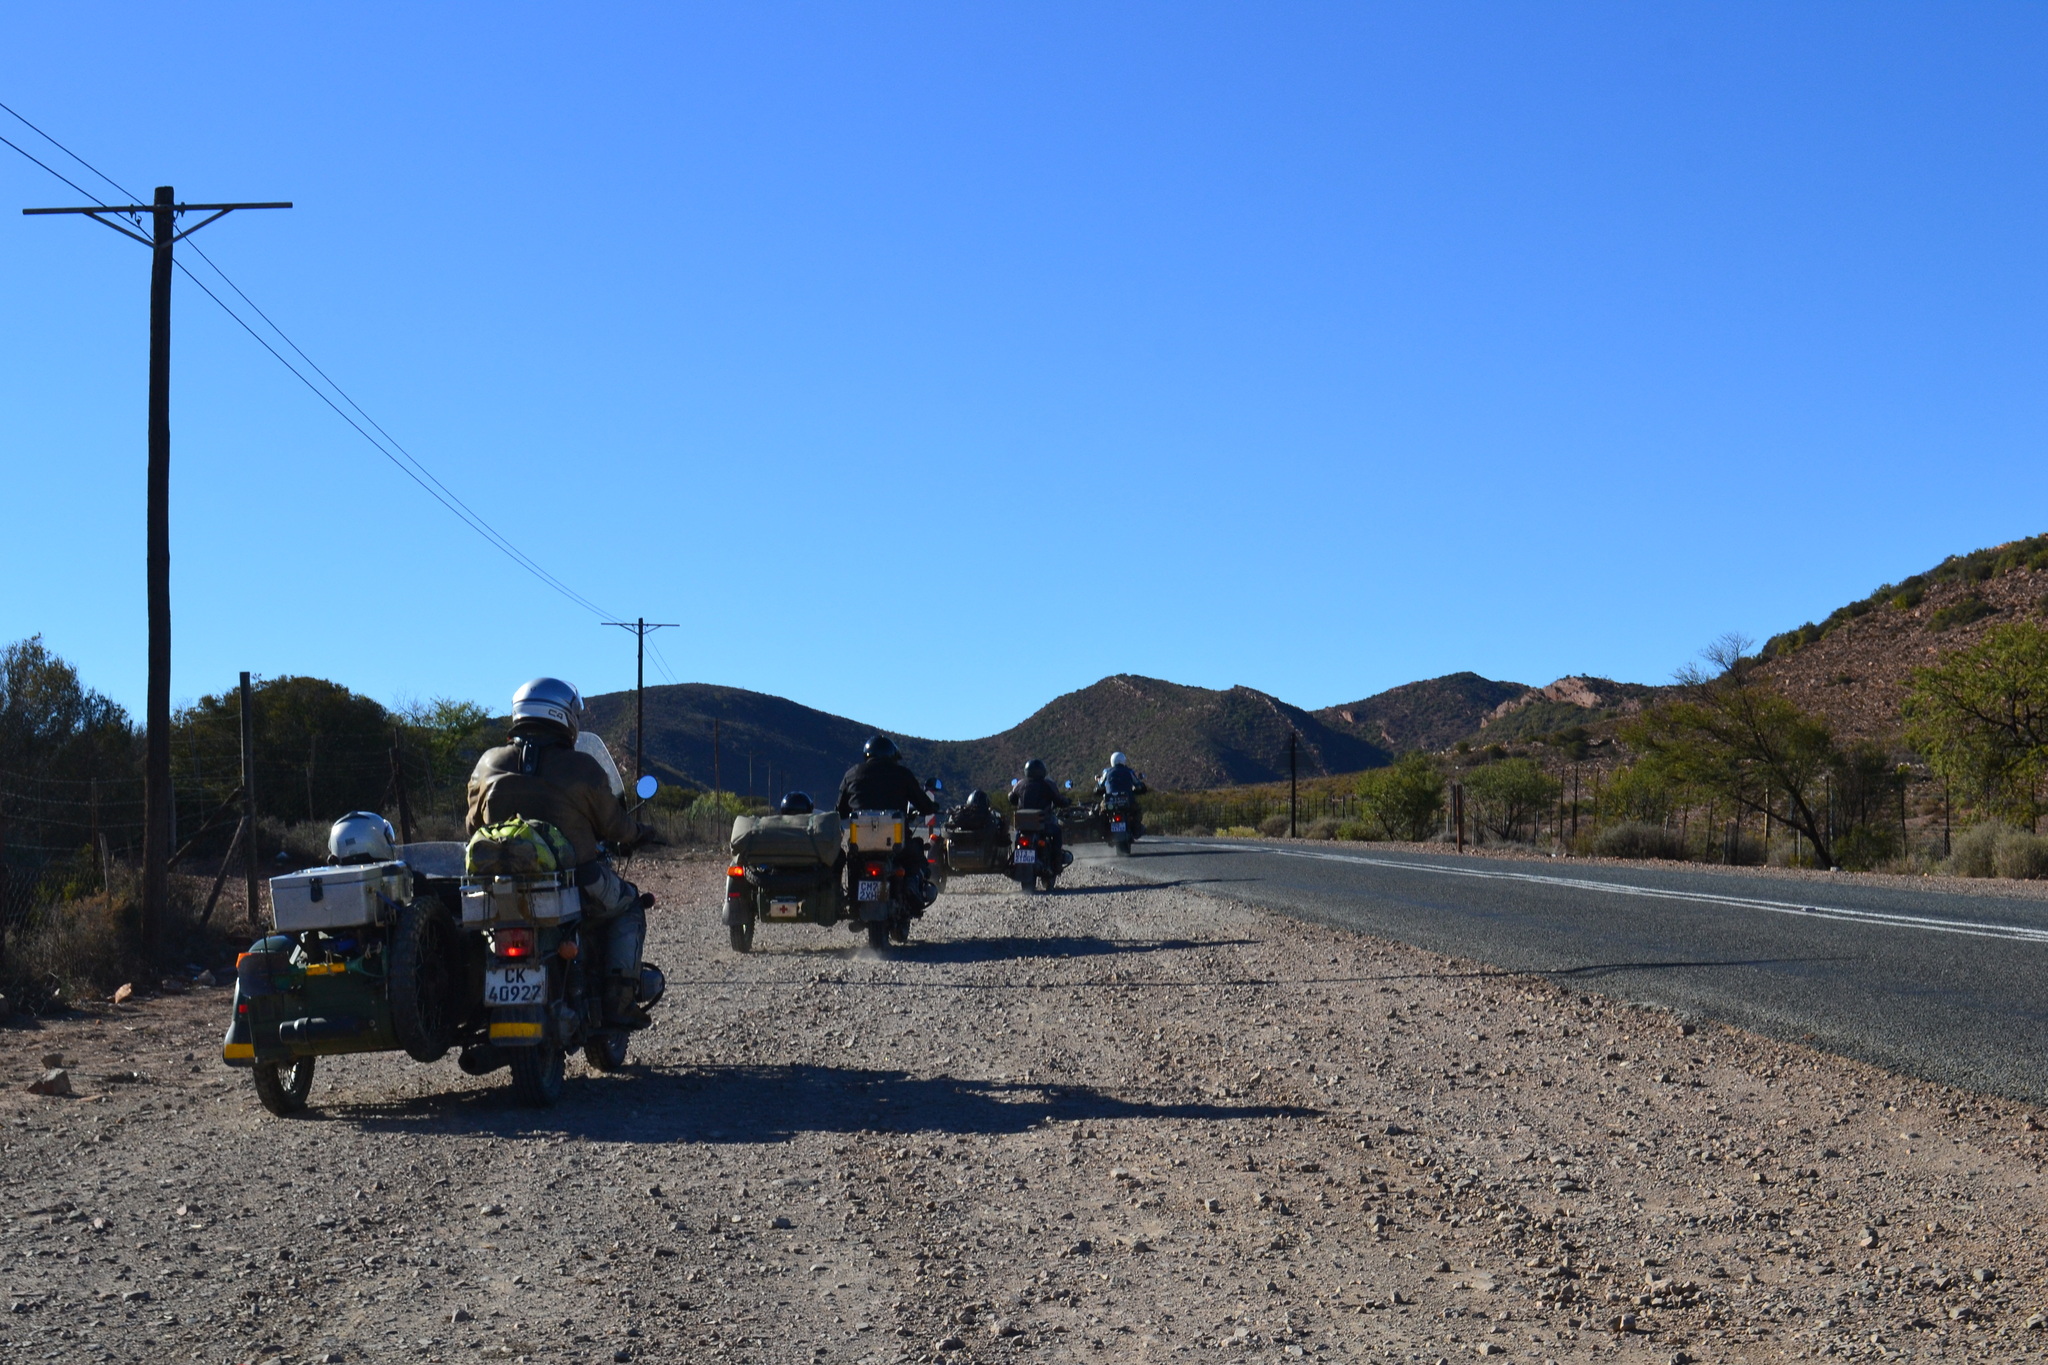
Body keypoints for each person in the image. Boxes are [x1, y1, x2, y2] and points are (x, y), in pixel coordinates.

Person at [467, 677, 655, 1026]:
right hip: (578, 880)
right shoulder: (582, 766)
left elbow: (472, 826)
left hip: (500, 886)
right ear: (565, 718)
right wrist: (640, 832)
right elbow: (615, 827)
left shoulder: (488, 763)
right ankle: (619, 1000)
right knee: (628, 905)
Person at [835, 735, 937, 903]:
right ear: (891, 755)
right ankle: (912, 886)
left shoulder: (852, 774)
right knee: (915, 853)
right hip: (897, 843)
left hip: (861, 844)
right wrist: (932, 807)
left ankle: (852, 899)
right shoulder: (902, 774)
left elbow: (840, 811)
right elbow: (923, 804)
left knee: (853, 862)